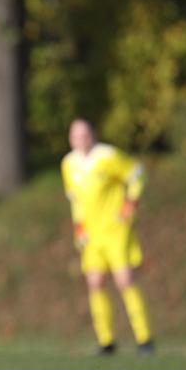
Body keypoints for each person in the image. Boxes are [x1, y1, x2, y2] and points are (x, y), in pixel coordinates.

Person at [62, 119, 153, 355]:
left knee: (125, 280)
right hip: (91, 235)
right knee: (95, 282)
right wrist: (78, 227)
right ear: (71, 139)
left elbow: (137, 173)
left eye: (84, 134)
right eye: (75, 135)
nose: (80, 139)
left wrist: (130, 204)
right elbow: (75, 200)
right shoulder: (69, 164)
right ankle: (106, 340)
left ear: (93, 134)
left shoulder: (108, 156)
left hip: (115, 230)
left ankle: (144, 338)